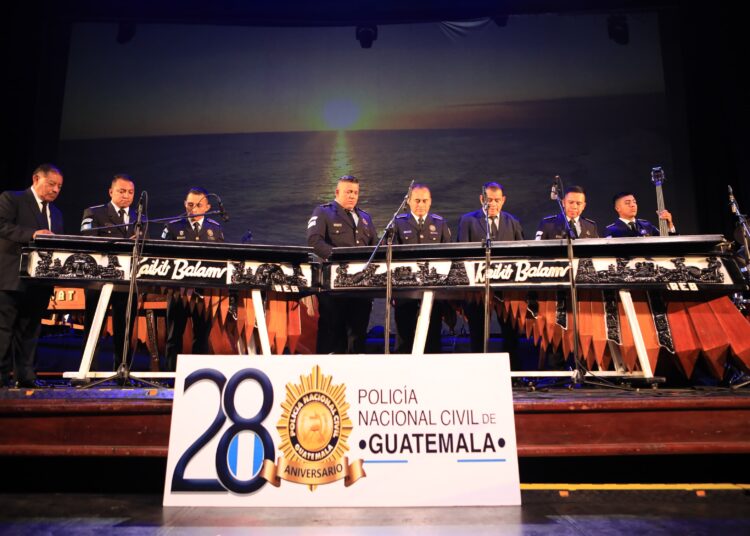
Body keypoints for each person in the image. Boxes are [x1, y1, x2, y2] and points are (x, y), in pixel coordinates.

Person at [0, 164, 64, 388]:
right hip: (11, 278)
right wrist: (32, 234)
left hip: (39, 282)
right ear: (36, 179)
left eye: (59, 187)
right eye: (51, 184)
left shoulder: (56, 213)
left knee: (30, 331)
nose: (55, 190)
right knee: (4, 329)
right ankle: (1, 377)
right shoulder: (12, 199)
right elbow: (2, 226)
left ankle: (25, 376)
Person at [307, 175, 377, 353]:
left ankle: (355, 370)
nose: (352, 196)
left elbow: (375, 247)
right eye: (348, 192)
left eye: (355, 192)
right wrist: (339, 260)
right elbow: (314, 241)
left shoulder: (365, 218)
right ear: (337, 192)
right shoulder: (323, 212)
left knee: (358, 335)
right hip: (334, 286)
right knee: (332, 334)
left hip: (361, 287)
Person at [456, 182, 524, 361]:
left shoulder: (513, 222)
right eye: (489, 200)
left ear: (503, 200)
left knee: (511, 333)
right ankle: (479, 368)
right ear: (481, 199)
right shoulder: (468, 221)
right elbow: (461, 255)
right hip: (477, 289)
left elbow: (522, 254)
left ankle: (512, 370)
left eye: (496, 200)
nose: (492, 204)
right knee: (477, 332)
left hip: (507, 288)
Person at [160, 187, 224, 371]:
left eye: (198, 205)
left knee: (202, 337)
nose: (193, 209)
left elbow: (221, 258)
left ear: (208, 207)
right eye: (190, 205)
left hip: (205, 292)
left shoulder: (215, 228)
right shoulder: (172, 227)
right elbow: (160, 256)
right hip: (178, 291)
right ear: (184, 204)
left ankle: (198, 377)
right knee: (174, 337)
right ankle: (171, 378)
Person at [80, 174, 138, 370]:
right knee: (94, 328)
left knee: (125, 330)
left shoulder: (140, 218)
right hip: (99, 280)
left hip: (127, 282)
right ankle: (88, 371)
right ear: (111, 192)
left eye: (130, 192)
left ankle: (122, 372)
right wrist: (123, 243)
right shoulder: (95, 213)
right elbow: (87, 239)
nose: (126, 196)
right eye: (122, 191)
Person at [392, 184, 451, 353]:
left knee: (433, 334)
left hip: (433, 289)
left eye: (425, 201)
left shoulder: (439, 223)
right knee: (404, 335)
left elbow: (448, 255)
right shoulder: (398, 223)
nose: (421, 204)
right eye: (417, 200)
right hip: (405, 290)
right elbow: (391, 257)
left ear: (430, 202)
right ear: (409, 201)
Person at [604, 191, 676, 237]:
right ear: (617, 208)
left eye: (634, 202)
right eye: (627, 203)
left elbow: (666, 242)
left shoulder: (646, 225)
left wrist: (669, 224)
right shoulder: (611, 230)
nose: (632, 205)